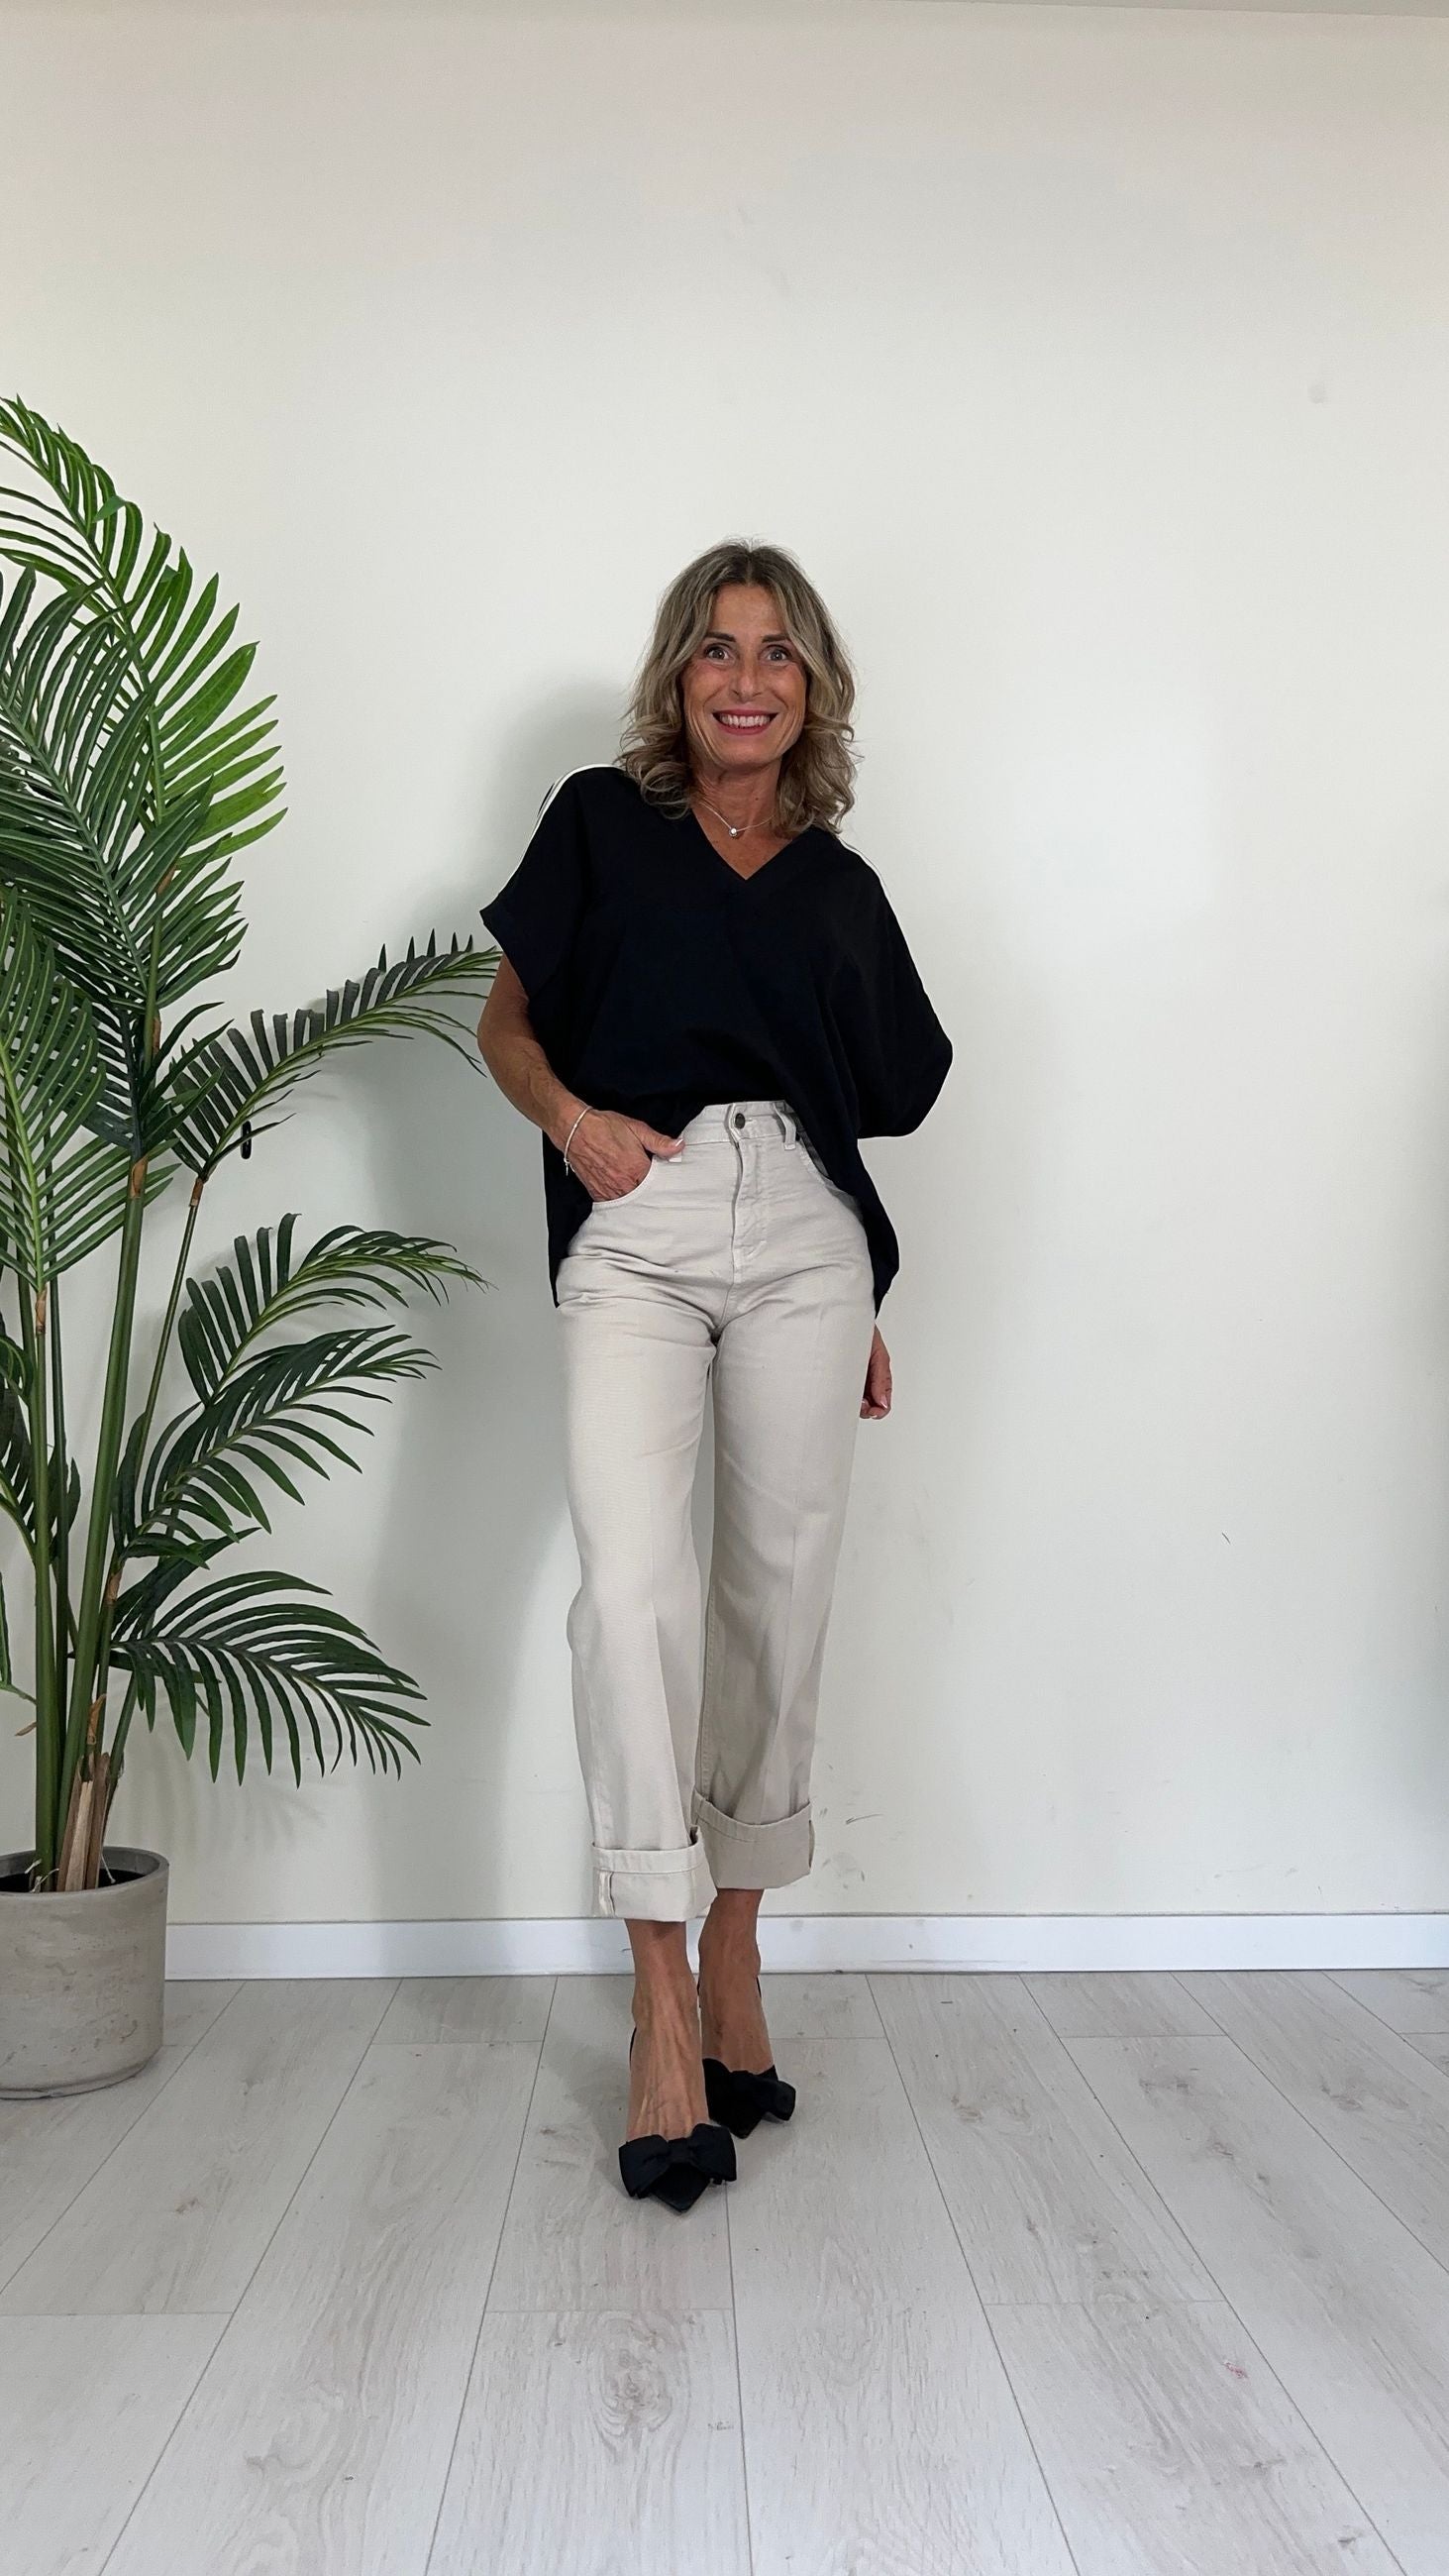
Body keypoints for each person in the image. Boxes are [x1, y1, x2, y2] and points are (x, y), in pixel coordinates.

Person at [476, 540, 953, 2212]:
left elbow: (865, 1099)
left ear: (812, 688)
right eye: (716, 649)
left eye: (777, 653)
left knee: (779, 1588)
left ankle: (737, 1943)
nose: (746, 680)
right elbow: (506, 1024)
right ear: (677, 676)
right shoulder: (600, 824)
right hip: (638, 1212)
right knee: (632, 1597)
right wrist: (574, 1122)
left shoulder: (838, 886)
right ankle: (658, 1989)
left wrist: (848, 1284)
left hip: (809, 1249)